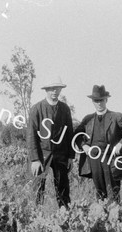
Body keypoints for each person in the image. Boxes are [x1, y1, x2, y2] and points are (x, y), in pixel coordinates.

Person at [74, 85, 122, 203]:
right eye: (96, 101)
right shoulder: (88, 119)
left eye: (101, 100)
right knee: (100, 193)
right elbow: (76, 135)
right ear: (92, 102)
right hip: (94, 160)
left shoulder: (116, 116)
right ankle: (102, 218)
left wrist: (121, 144)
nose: (99, 103)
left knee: (113, 193)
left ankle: (116, 219)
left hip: (112, 159)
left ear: (106, 100)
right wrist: (84, 145)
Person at [27, 78, 75, 208]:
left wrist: (70, 156)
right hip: (42, 155)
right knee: (38, 189)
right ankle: (37, 218)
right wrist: (35, 159)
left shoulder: (64, 109)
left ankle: (65, 218)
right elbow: (31, 135)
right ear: (46, 90)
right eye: (52, 88)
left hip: (61, 155)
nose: (55, 91)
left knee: (63, 189)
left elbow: (69, 133)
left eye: (57, 88)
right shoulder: (37, 109)